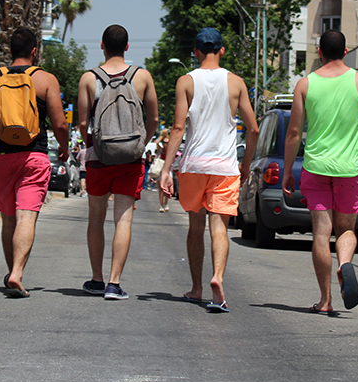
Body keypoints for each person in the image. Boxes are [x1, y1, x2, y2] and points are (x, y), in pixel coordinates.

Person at [282, 30, 358, 314]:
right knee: (347, 229)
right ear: (346, 51)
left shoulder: (305, 84)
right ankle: (346, 263)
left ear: (319, 52)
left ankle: (325, 300)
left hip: (315, 167)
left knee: (320, 234)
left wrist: (288, 170)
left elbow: (293, 131)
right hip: (349, 170)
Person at [160, 27, 258, 313]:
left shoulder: (186, 81)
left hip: (193, 164)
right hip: (225, 166)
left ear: (195, 51)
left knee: (195, 227)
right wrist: (245, 164)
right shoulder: (236, 83)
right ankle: (217, 277)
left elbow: (178, 128)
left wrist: (166, 169)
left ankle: (196, 288)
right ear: (222, 51)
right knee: (220, 227)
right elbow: (252, 128)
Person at [0, 28, 69, 298]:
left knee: (8, 218)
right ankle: (17, 273)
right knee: (26, 216)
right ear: (35, 51)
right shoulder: (46, 80)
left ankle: (11, 270)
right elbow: (59, 123)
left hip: (1, 157)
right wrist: (64, 147)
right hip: (33, 156)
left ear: (9, 51)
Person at [78, 25, 159, 300]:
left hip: (99, 157)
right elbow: (154, 120)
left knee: (96, 219)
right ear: (127, 46)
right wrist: (140, 143)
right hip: (130, 159)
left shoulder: (89, 78)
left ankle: (96, 279)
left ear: (102, 45)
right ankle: (114, 283)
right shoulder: (142, 77)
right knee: (123, 218)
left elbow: (82, 122)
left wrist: (94, 146)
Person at [156, 129, 171, 212]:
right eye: (165, 143)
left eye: (167, 143)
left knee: (167, 187)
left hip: (168, 168)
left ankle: (166, 203)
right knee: (161, 188)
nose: (166, 144)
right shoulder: (160, 149)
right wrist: (162, 136)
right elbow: (157, 143)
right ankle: (161, 204)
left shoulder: (170, 150)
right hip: (161, 168)